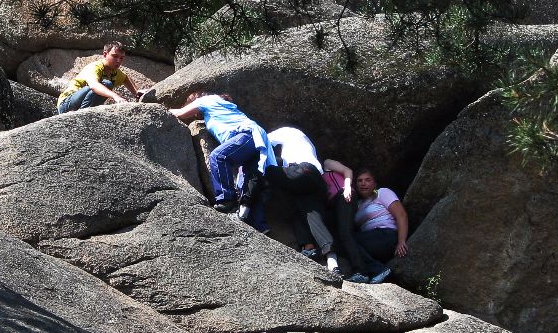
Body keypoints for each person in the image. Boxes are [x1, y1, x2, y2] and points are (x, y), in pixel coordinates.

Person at [168, 92, 276, 221]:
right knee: (248, 184)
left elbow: (180, 113)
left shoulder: (206, 100)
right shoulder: (218, 107)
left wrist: (154, 107)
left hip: (248, 135)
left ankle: (226, 200)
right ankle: (258, 224)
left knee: (219, 156)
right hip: (254, 140)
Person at [265, 126, 342, 274]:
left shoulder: (288, 131)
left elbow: (262, 140)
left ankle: (245, 205)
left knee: (265, 169)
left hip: (302, 170)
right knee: (308, 215)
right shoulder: (309, 145)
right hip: (317, 182)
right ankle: (330, 260)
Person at [337, 167, 409, 284]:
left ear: (375, 183)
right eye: (359, 181)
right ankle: (373, 270)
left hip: (386, 235)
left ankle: (377, 270)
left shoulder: (382, 193)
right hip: (370, 242)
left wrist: (401, 241)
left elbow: (401, 215)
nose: (363, 184)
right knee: (344, 242)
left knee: (345, 240)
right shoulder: (358, 205)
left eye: (367, 180)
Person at [56, 42, 133, 114]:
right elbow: (94, 86)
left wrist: (136, 93)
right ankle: (82, 115)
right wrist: (115, 96)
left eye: (121, 58)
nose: (118, 61)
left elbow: (125, 79)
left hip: (80, 104)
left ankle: (83, 115)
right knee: (107, 84)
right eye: (115, 56)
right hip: (66, 104)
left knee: (107, 84)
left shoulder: (115, 72)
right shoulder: (95, 67)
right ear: (105, 54)